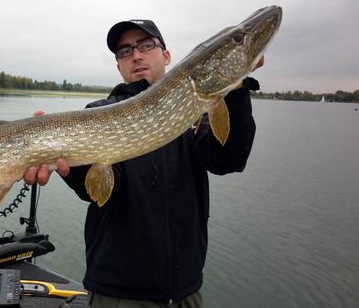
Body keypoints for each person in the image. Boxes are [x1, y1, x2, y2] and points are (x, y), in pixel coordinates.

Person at [24, 19, 261, 308]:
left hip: (186, 291)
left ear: (167, 56)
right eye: (125, 51)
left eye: (146, 46)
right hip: (118, 294)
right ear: (119, 66)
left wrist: (236, 90)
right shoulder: (99, 113)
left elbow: (228, 160)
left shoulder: (195, 114)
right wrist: (64, 164)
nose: (136, 55)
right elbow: (98, 190)